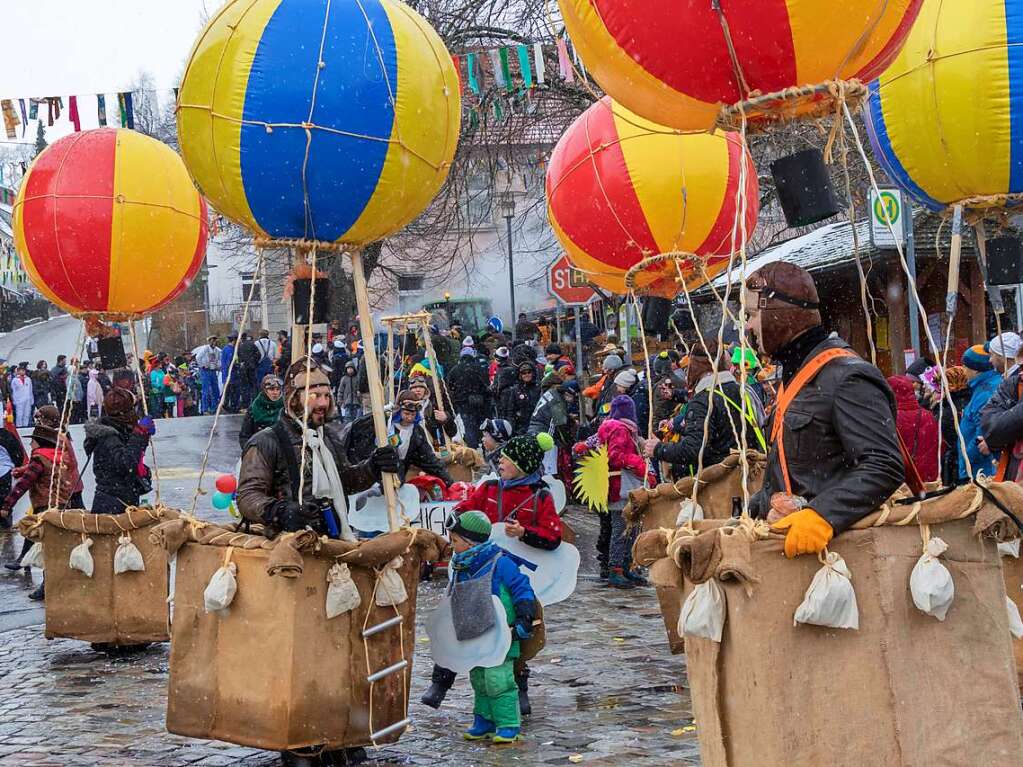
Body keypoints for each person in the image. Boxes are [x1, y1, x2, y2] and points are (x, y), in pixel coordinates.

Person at [741, 262, 904, 556]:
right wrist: (757, 505)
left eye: (753, 315)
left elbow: (884, 465)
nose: (748, 326)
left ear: (780, 315)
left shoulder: (846, 377)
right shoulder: (794, 377)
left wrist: (823, 514)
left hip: (839, 557)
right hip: (793, 549)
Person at [422, 434, 559, 717]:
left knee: (515, 633)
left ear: (522, 464)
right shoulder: (490, 489)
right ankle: (441, 681)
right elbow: (463, 511)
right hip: (476, 572)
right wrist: (465, 525)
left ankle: (518, 687)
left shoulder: (540, 495)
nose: (502, 461)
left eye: (508, 458)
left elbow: (553, 536)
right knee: (458, 623)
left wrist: (525, 533)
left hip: (513, 577)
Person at [236, 358, 398, 543]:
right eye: (314, 396)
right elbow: (247, 496)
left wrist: (374, 466)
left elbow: (346, 481)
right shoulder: (266, 441)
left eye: (326, 395)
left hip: (333, 539)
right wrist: (280, 511)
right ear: (294, 399)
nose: (323, 403)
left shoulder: (328, 436)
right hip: (288, 544)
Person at [444, 510, 536, 745]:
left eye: (455, 541)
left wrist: (525, 616)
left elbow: (521, 587)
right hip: (476, 632)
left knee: (498, 679)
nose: (451, 546)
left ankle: (508, 724)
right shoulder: (461, 566)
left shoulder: (500, 561)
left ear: (470, 542)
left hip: (502, 632)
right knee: (479, 678)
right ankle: (484, 720)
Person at [1, 407, 84, 600]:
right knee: (47, 537)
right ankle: (29, 562)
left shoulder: (56, 441)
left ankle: (48, 584)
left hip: (59, 496)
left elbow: (26, 482)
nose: (37, 420)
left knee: (49, 543)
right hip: (59, 498)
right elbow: (40, 468)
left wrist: (7, 505)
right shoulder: (49, 451)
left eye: (39, 418)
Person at [642, 344, 743, 479]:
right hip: (740, 473)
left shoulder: (704, 400)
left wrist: (659, 449)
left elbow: (694, 449)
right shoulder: (739, 390)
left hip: (716, 481)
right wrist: (676, 415)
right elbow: (717, 428)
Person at [84, 388, 155, 514]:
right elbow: (127, 464)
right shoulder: (108, 436)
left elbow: (132, 459)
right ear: (125, 411)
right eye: (132, 408)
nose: (135, 413)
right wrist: (139, 434)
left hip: (121, 500)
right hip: (112, 506)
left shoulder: (120, 429)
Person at [385, 390, 453, 485]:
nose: (409, 418)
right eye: (406, 414)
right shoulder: (385, 425)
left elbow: (430, 461)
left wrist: (449, 483)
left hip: (398, 479)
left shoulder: (416, 432)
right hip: (379, 474)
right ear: (399, 411)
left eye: (413, 415)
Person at [955, 344, 1001, 480]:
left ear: (976, 370)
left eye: (965, 367)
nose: (963, 371)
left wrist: (967, 459)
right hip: (979, 467)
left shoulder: (985, 393)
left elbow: (981, 432)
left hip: (981, 471)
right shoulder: (983, 388)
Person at [887, 375, 939, 482]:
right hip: (927, 479)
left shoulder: (889, 418)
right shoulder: (928, 415)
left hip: (900, 480)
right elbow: (939, 445)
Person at [447, 346, 491, 449]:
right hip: (480, 402)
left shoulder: (456, 369)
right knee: (481, 425)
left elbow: (450, 385)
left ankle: (473, 448)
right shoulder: (479, 368)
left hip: (463, 403)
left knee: (469, 426)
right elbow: (486, 384)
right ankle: (483, 445)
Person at [237, 375, 284, 450]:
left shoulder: (285, 408)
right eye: (271, 389)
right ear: (265, 391)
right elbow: (244, 436)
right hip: (259, 448)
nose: (275, 392)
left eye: (278, 389)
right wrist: (252, 450)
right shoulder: (254, 409)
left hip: (282, 450)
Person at [498, 362, 541, 437]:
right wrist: (511, 426)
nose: (526, 375)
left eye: (529, 372)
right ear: (520, 375)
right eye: (523, 373)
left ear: (533, 373)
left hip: (537, 424)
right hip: (520, 427)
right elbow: (510, 410)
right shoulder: (515, 390)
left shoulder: (539, 387)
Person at [236, 332, 261, 408]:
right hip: (251, 367)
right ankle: (255, 402)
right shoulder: (251, 344)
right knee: (254, 386)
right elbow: (258, 354)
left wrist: (241, 363)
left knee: (244, 387)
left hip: (243, 368)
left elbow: (238, 357)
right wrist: (254, 362)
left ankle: (245, 404)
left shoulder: (239, 346)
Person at [221, 334, 240, 413]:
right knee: (232, 392)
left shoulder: (226, 349)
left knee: (228, 392)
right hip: (231, 375)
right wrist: (238, 365)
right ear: (234, 340)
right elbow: (230, 363)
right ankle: (231, 406)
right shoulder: (230, 350)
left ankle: (228, 405)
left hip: (228, 374)